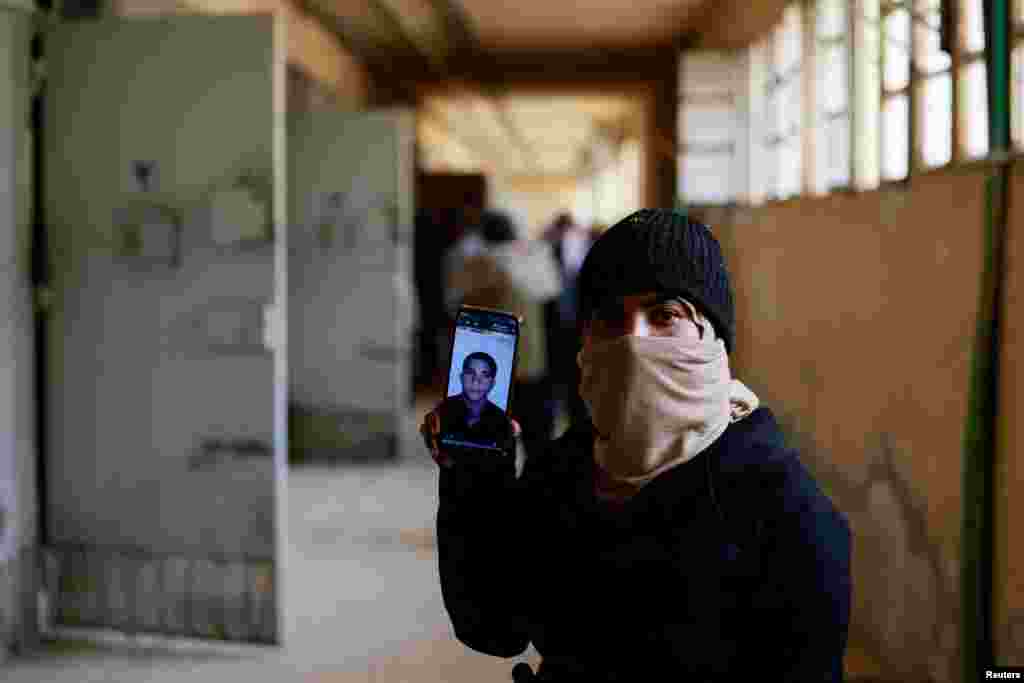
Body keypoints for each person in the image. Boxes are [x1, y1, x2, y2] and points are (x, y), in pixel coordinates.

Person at [421, 208, 851, 681]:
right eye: (610, 318)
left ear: (713, 338)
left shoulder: (787, 514)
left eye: (664, 315)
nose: (633, 341)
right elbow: (492, 625)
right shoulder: (562, 472)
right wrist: (475, 484)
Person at [439, 351, 508, 448]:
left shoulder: (502, 421)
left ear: (492, 383)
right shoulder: (441, 410)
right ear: (461, 377)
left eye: (484, 375)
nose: (476, 381)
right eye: (470, 372)